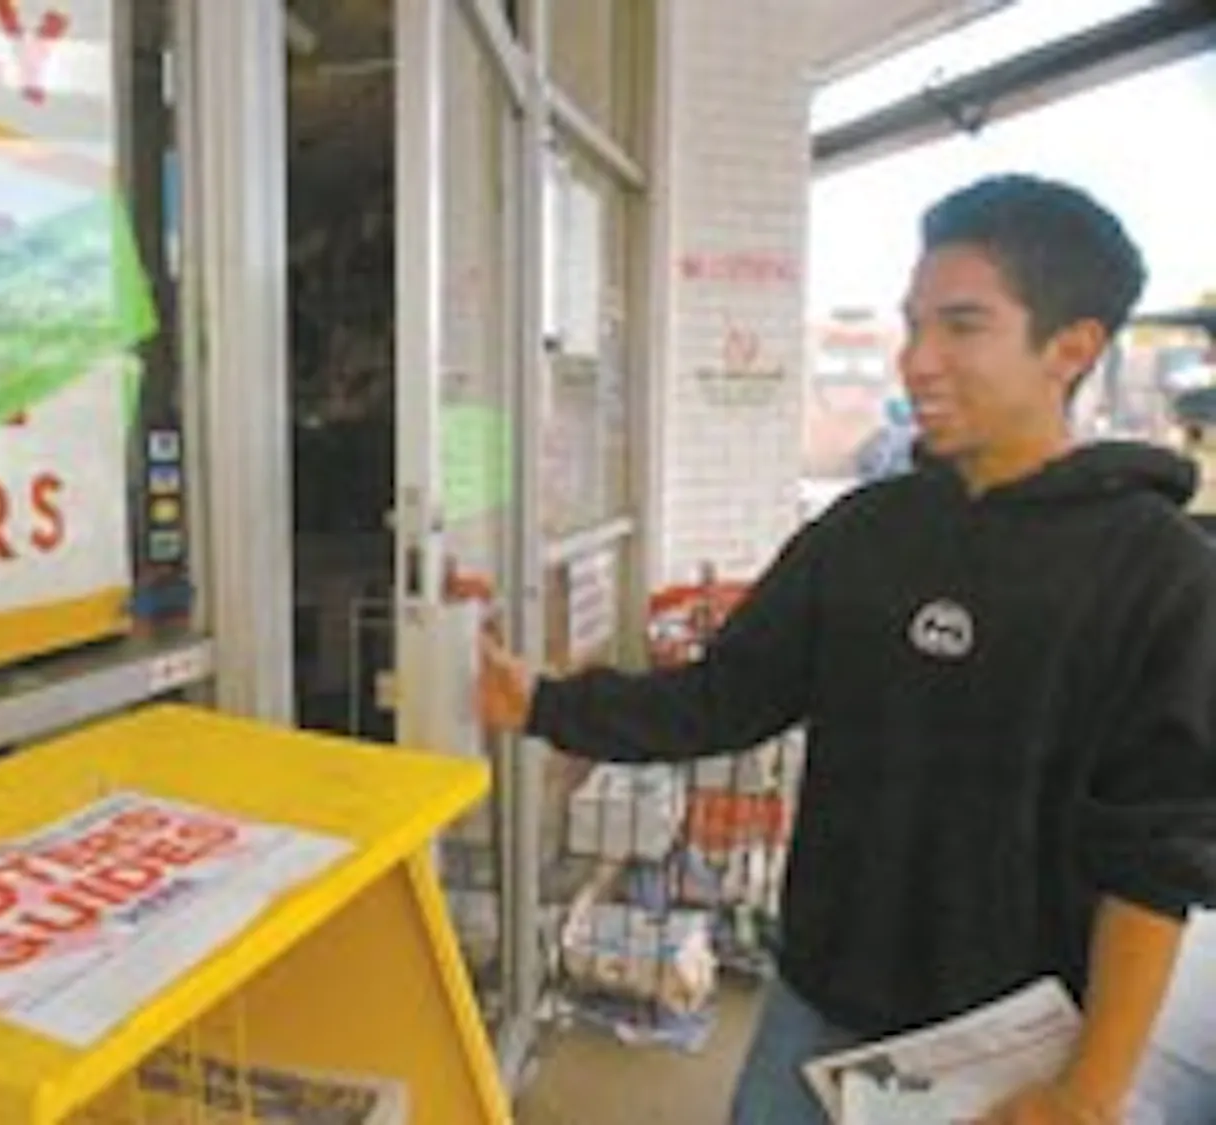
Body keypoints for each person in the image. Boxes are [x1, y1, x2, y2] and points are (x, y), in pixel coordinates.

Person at [478, 175, 1216, 1125]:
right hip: (818, 1001)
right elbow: (727, 696)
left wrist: (1087, 1091)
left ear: (1071, 348)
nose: (917, 361)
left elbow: (1154, 856)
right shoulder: (865, 531)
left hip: (1006, 1042)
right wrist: (542, 703)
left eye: (962, 326)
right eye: (914, 326)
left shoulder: (1159, 573)